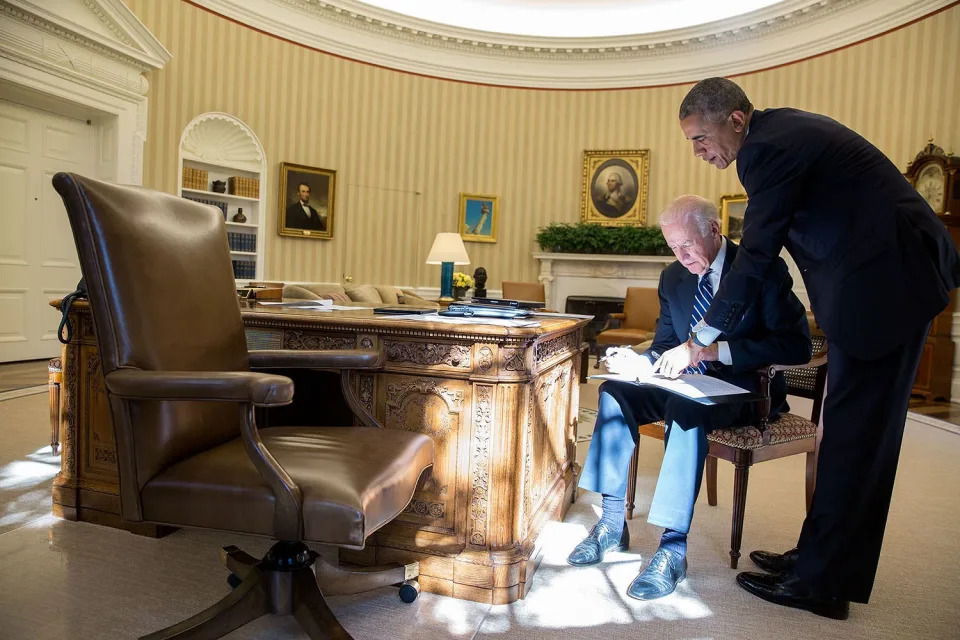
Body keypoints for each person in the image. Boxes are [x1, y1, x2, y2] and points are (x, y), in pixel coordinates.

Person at [660, 77, 960, 618]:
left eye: (701, 138)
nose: (700, 152)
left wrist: (700, 338)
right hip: (879, 285)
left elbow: (755, 256)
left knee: (855, 437)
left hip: (888, 288)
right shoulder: (780, 134)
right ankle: (814, 558)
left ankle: (822, 582)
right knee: (846, 431)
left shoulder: (764, 149)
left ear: (734, 120)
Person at [570, 195, 810, 602]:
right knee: (615, 394)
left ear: (714, 231)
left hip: (744, 390)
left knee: (686, 409)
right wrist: (637, 361)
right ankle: (611, 523)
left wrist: (714, 351)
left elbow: (796, 346)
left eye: (687, 246)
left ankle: (672, 550)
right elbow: (666, 344)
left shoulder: (760, 271)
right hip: (684, 383)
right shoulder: (673, 278)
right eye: (672, 247)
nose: (680, 257)